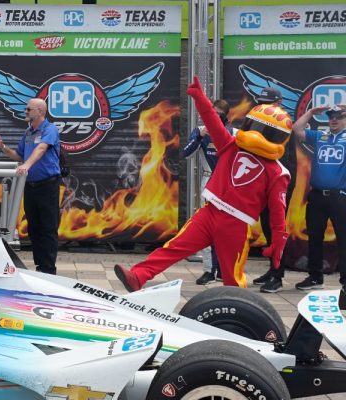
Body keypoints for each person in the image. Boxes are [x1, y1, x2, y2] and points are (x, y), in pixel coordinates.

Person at [114, 76, 291, 291]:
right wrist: (199, 98)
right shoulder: (231, 145)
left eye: (266, 131)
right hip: (210, 212)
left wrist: (278, 244)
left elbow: (277, 214)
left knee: (232, 278)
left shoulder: (278, 172)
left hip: (235, 224)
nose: (257, 134)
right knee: (173, 247)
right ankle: (138, 276)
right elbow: (211, 120)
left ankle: (237, 314)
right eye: (255, 126)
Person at [0, 97, 61, 274]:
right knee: (34, 227)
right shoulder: (28, 132)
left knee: (48, 227)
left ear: (41, 111)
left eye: (29, 109)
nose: (26, 112)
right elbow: (19, 156)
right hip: (30, 186)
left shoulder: (50, 129)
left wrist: (27, 166)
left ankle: (48, 269)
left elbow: (41, 149)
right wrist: (3, 147)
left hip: (47, 185)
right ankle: (40, 266)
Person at [290, 105, 346, 291]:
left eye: (338, 117)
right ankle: (315, 277)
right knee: (314, 237)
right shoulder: (321, 136)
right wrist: (311, 113)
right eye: (331, 117)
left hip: (340, 197)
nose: (334, 120)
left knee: (343, 238)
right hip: (316, 196)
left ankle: (345, 282)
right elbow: (297, 129)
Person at [247, 88, 297, 292]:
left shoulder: (283, 123)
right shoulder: (258, 121)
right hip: (263, 182)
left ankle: (277, 276)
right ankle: (272, 269)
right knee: (267, 227)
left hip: (279, 181)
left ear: (280, 102)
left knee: (277, 230)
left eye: (270, 102)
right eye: (262, 102)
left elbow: (283, 159)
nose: (266, 106)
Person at [183, 99, 231, 285]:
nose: (215, 117)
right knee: (208, 227)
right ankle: (209, 270)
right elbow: (186, 154)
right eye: (213, 112)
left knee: (227, 228)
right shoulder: (200, 130)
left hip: (228, 183)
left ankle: (224, 270)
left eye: (219, 114)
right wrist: (200, 137)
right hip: (209, 180)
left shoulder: (234, 133)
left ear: (226, 116)